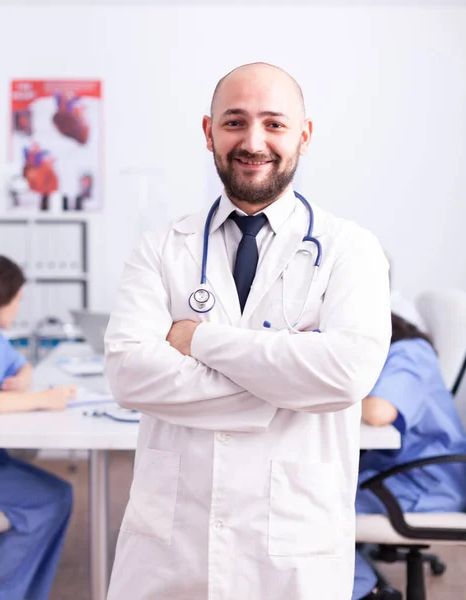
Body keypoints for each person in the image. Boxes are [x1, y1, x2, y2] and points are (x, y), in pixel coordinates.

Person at [104, 62, 392, 600]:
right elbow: (129, 375)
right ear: (209, 132)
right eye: (235, 122)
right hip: (173, 543)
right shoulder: (161, 247)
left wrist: (196, 339)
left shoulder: (351, 249)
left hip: (291, 546)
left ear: (304, 136)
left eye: (274, 124)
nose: (253, 141)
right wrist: (285, 383)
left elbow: (346, 374)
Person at [353, 312, 466, 600]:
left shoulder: (409, 353)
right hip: (397, 475)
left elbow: (378, 412)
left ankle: (370, 590)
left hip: (421, 486)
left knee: (307, 507)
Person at [0, 255, 76, 600]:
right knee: (51, 499)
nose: (18, 308)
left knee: (57, 494)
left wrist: (24, 376)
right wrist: (42, 399)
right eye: (18, 301)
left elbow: (18, 363)